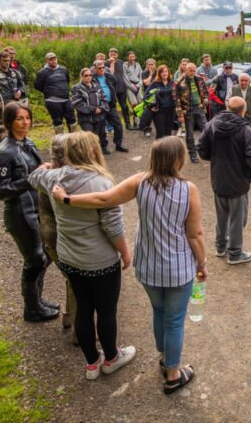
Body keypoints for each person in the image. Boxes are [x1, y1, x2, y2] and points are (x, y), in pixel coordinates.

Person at [52, 136, 207, 394]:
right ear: (178, 160)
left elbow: (103, 199)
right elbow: (195, 235)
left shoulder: (140, 182)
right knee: (175, 320)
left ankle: (163, 355)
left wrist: (67, 199)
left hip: (148, 267)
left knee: (159, 312)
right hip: (179, 268)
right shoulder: (188, 189)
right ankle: (172, 374)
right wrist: (202, 262)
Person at [29, 131, 136, 380]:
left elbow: (33, 177)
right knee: (106, 311)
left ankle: (91, 363)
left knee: (84, 308)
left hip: (69, 257)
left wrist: (43, 166)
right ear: (93, 150)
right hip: (99, 259)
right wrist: (125, 253)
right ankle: (111, 358)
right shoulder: (101, 183)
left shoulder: (54, 176)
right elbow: (112, 226)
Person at [0, 102, 60, 322]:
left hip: (36, 207)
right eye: (20, 118)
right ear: (9, 121)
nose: (25, 122)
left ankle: (37, 300)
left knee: (45, 255)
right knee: (34, 260)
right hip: (20, 213)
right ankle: (31, 309)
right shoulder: (3, 152)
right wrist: (30, 179)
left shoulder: (27, 142)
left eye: (27, 118)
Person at [198, 96, 251, 265]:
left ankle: (220, 247)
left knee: (222, 215)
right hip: (237, 181)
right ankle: (235, 253)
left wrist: (214, 161)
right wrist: (248, 175)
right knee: (238, 218)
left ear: (227, 107)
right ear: (244, 110)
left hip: (218, 178)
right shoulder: (246, 131)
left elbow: (201, 148)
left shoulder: (211, 125)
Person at [33, 134, 77, 341]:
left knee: (71, 280)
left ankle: (69, 317)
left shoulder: (47, 174)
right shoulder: (64, 179)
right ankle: (80, 331)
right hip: (59, 238)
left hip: (50, 237)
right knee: (77, 282)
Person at [0, 49, 28, 142]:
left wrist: (20, 91)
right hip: (2, 107)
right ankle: (3, 150)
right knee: (4, 129)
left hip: (16, 105)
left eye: (8, 60)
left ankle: (18, 147)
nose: (7, 63)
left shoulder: (15, 73)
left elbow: (23, 86)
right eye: (4, 61)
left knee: (18, 126)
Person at [174, 62, 208, 164]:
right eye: (190, 70)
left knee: (206, 130)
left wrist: (204, 102)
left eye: (194, 70)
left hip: (200, 108)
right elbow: (176, 100)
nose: (193, 72)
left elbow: (206, 93)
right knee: (189, 135)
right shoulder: (178, 82)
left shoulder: (200, 79)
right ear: (185, 70)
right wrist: (180, 115)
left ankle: (204, 150)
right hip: (187, 110)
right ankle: (193, 154)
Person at [34, 52, 76, 134]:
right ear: (47, 60)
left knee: (72, 120)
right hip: (52, 101)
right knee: (58, 122)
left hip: (66, 99)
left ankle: (73, 139)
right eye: (51, 60)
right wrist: (49, 91)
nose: (53, 61)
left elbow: (67, 81)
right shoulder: (42, 72)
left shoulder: (63, 69)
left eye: (55, 59)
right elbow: (38, 86)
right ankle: (60, 142)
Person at [72, 68, 111, 155]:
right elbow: (77, 104)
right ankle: (89, 154)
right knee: (89, 137)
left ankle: (103, 147)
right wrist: (93, 110)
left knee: (102, 134)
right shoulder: (76, 88)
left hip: (99, 116)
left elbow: (104, 99)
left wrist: (101, 108)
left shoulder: (97, 86)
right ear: (81, 76)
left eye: (90, 75)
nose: (88, 77)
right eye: (86, 75)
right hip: (86, 118)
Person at [92, 60, 129, 152]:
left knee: (118, 125)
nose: (102, 69)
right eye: (99, 68)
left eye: (103, 67)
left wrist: (113, 98)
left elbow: (114, 87)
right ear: (95, 69)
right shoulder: (92, 78)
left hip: (111, 105)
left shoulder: (110, 77)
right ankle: (103, 146)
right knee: (101, 127)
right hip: (100, 106)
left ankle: (118, 144)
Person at [148, 65, 177, 139]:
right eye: (162, 72)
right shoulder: (155, 83)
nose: (165, 73)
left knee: (168, 133)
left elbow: (177, 94)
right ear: (159, 73)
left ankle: (167, 150)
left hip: (170, 110)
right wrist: (150, 107)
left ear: (168, 72)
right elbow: (147, 95)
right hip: (159, 111)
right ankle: (157, 150)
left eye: (166, 71)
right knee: (160, 133)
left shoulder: (172, 82)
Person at [108, 48, 132, 129]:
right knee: (112, 108)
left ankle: (128, 124)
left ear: (117, 55)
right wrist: (111, 63)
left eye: (114, 54)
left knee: (124, 106)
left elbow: (127, 72)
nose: (113, 56)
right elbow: (109, 74)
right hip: (112, 89)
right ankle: (114, 126)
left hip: (122, 88)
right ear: (109, 55)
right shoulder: (105, 63)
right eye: (111, 54)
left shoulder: (121, 62)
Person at [123, 51, 143, 129]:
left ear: (135, 57)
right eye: (130, 57)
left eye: (133, 56)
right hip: (130, 86)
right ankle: (135, 122)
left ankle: (137, 123)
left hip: (138, 85)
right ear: (128, 57)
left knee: (139, 103)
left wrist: (139, 85)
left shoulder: (137, 65)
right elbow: (125, 78)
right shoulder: (124, 65)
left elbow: (141, 76)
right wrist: (132, 86)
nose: (132, 58)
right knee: (134, 104)